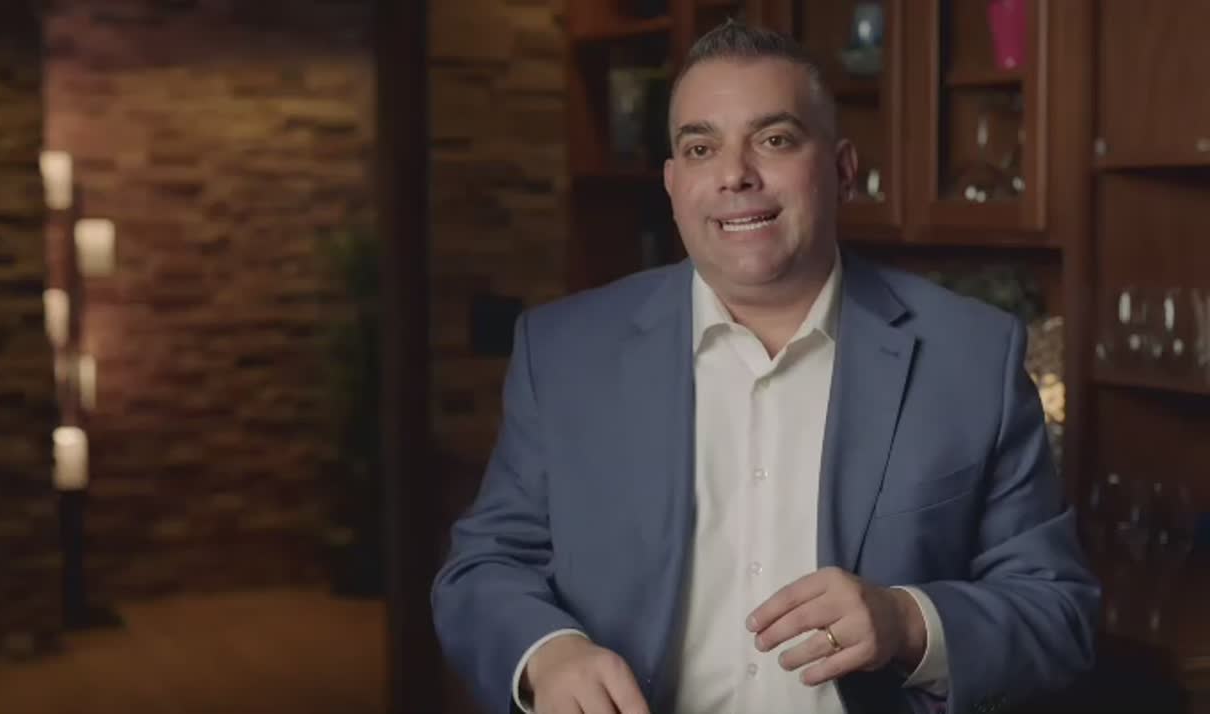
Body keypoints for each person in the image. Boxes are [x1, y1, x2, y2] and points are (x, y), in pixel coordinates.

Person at [431, 20, 1099, 714]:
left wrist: (907, 621)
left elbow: (1057, 612)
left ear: (842, 169)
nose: (735, 175)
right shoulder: (565, 352)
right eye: (701, 148)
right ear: (672, 184)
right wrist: (549, 652)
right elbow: (483, 566)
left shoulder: (971, 357)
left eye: (774, 140)